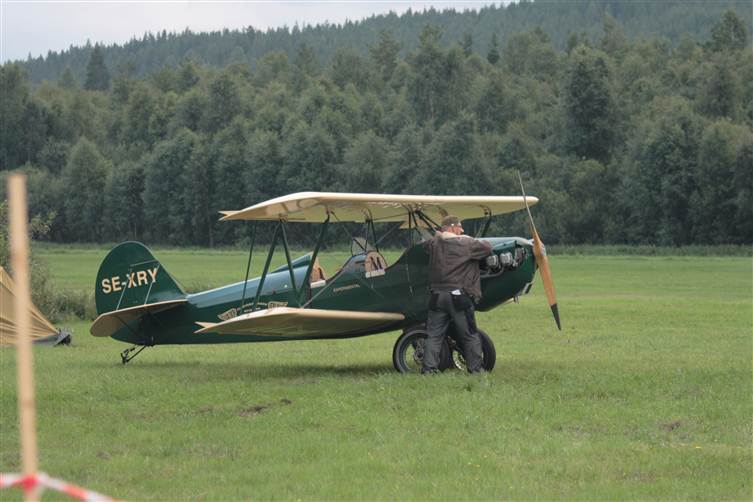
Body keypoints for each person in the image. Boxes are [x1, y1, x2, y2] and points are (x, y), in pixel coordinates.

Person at [422, 215, 492, 374]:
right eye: (460, 228)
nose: (461, 231)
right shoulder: (466, 243)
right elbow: (487, 248)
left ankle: (428, 370)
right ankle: (475, 370)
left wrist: (439, 236)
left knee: (434, 336)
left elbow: (426, 246)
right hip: (459, 297)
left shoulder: (433, 243)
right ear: (453, 227)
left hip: (436, 297)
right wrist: (467, 238)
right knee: (470, 335)